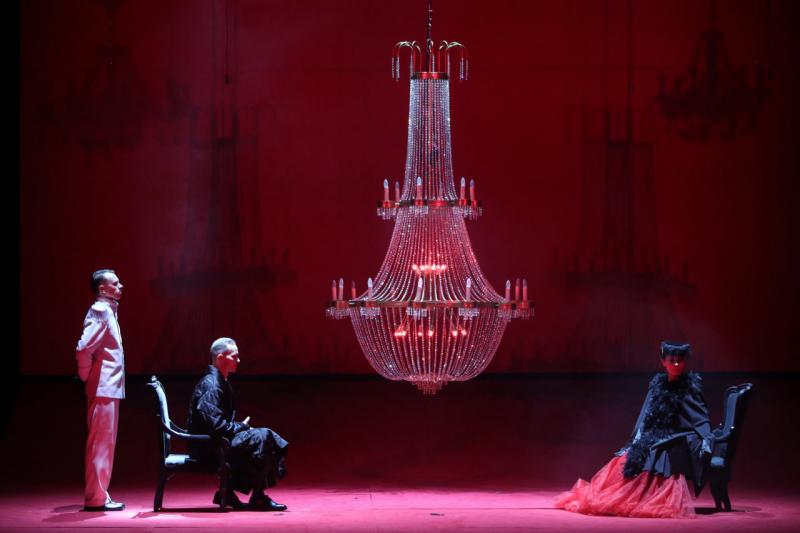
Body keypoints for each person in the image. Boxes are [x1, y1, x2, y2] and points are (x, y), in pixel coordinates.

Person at [555, 341, 715, 518]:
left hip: (677, 436)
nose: (676, 364)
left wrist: (706, 439)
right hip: (655, 434)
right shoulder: (657, 385)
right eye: (672, 360)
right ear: (663, 362)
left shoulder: (689, 388)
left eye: (680, 360)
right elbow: (646, 416)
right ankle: (616, 495)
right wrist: (638, 439)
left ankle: (647, 497)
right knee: (625, 457)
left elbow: (700, 417)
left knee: (657, 453)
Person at [187, 337, 289, 511]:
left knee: (262, 439)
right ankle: (253, 496)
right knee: (263, 436)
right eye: (234, 356)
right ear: (220, 358)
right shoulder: (211, 385)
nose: (238, 360)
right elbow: (216, 426)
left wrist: (241, 428)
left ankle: (241, 493)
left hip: (216, 442)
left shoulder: (219, 381)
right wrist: (241, 426)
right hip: (208, 446)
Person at [76, 269, 126, 511]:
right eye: (115, 283)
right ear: (103, 289)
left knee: (105, 444)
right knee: (100, 444)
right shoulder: (101, 311)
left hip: (108, 386)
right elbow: (83, 348)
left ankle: (99, 495)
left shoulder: (108, 310)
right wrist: (86, 376)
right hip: (103, 386)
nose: (121, 286)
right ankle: (95, 498)